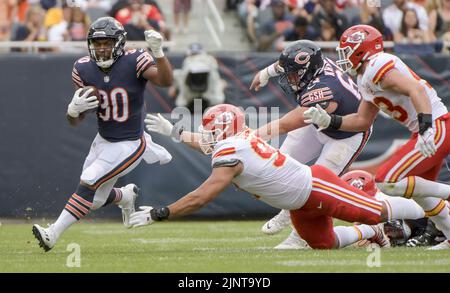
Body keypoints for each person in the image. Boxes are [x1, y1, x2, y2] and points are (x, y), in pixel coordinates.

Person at [135, 104, 427, 250]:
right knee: (323, 243)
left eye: (212, 130)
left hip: (316, 187)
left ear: (223, 130)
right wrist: (176, 132)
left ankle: (432, 208)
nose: (208, 136)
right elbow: (206, 143)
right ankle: (372, 234)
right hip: (300, 202)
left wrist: (163, 212)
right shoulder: (239, 139)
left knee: (375, 211)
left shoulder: (230, 152)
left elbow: (202, 196)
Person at [303, 24, 450, 250]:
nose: (344, 57)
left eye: (347, 50)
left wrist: (426, 127)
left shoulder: (377, 64)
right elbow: (362, 121)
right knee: (422, 194)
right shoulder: (365, 78)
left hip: (437, 124)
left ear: (362, 49)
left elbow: (416, 90)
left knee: (387, 180)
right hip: (428, 126)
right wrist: (328, 120)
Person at [32, 17, 173, 252]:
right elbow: (76, 120)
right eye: (96, 43)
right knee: (94, 200)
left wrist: (158, 52)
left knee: (88, 181)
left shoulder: (134, 59)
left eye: (106, 42)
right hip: (103, 140)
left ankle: (52, 233)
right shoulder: (83, 68)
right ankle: (124, 196)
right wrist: (72, 110)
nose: (101, 48)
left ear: (118, 42)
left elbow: (165, 81)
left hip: (130, 143)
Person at [248, 40, 370, 249]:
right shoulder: (314, 65)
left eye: (294, 74)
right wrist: (266, 72)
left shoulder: (323, 89)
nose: (289, 78)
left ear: (308, 70)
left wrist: (252, 136)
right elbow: (285, 64)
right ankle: (286, 212)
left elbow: (287, 124)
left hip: (345, 134)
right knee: (281, 164)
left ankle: (300, 237)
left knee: (317, 186)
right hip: (317, 122)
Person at [342, 170, 446, 247]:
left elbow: (402, 232)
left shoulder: (382, 201)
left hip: (436, 213)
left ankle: (431, 234)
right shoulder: (383, 196)